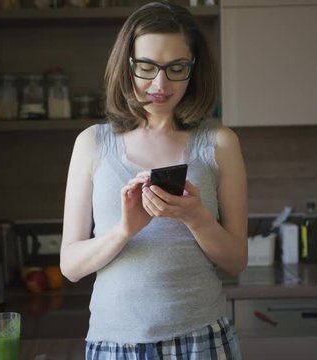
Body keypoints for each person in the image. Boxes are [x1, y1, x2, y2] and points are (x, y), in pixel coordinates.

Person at [60, 1, 248, 359]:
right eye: (146, 67)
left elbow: (236, 260)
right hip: (115, 343)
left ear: (194, 68)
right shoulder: (92, 143)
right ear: (126, 65)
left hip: (200, 339)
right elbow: (70, 266)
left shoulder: (220, 142)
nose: (160, 84)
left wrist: (196, 217)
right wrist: (123, 231)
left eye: (177, 68)